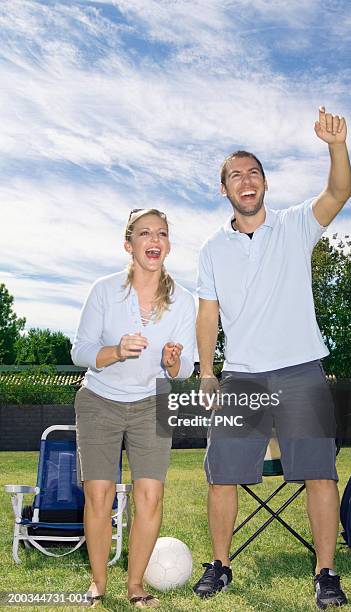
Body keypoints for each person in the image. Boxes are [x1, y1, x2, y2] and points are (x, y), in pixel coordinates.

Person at [193, 107, 351, 609]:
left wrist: (336, 146)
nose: (247, 179)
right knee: (223, 474)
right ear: (224, 189)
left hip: (302, 369)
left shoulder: (294, 226)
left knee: (320, 472)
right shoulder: (212, 249)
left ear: (264, 183)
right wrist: (207, 372)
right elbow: (207, 315)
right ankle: (220, 565)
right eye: (236, 174)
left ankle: (326, 572)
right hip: (241, 375)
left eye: (254, 172)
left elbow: (338, 193)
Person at [71, 209, 195, 608]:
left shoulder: (183, 301)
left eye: (161, 233)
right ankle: (98, 583)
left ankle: (136, 586)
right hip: (99, 401)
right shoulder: (105, 290)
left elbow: (185, 368)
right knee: (99, 495)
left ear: (168, 245)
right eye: (144, 233)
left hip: (152, 402)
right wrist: (115, 351)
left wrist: (174, 361)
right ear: (130, 244)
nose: (154, 239)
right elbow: (81, 352)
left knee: (150, 496)